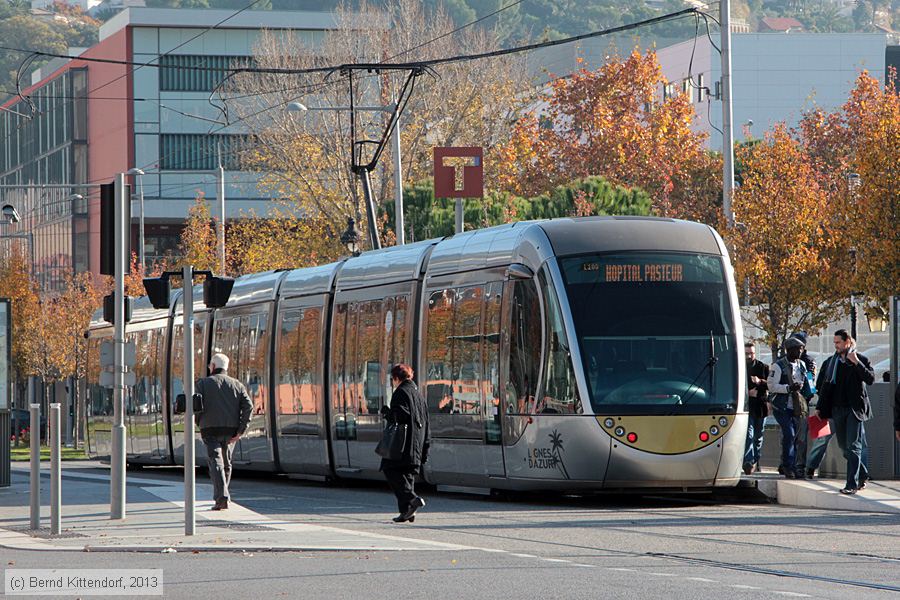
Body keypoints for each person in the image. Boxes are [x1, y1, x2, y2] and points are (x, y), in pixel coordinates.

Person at [814, 329, 875, 494]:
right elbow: (823, 386)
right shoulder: (831, 363)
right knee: (844, 447)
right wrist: (820, 407)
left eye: (838, 342)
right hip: (837, 409)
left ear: (848, 341)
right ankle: (862, 474)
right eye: (835, 343)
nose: (836, 346)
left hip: (855, 409)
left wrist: (856, 363)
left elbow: (870, 379)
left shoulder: (860, 359)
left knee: (853, 446)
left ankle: (851, 484)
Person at [196, 353, 252, 510]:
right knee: (226, 463)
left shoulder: (202, 384)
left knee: (216, 461)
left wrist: (199, 421)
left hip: (209, 429)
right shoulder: (237, 385)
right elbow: (249, 407)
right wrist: (241, 430)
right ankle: (223, 495)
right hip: (231, 431)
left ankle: (222, 497)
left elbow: (196, 405)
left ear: (213, 366)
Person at [380, 363, 431, 523]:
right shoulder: (418, 395)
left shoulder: (400, 392)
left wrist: (387, 413)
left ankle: (412, 499)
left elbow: (400, 415)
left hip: (402, 444)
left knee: (390, 469)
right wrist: (425, 448)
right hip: (417, 443)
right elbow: (427, 421)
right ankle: (407, 511)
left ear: (396, 378)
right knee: (407, 475)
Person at [767, 337, 812, 479]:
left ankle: (790, 464)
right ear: (789, 350)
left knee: (799, 437)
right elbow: (771, 386)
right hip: (782, 406)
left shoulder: (803, 365)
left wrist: (809, 390)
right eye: (797, 349)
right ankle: (788, 466)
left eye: (801, 349)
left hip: (798, 406)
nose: (800, 352)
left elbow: (809, 381)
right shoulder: (778, 366)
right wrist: (788, 388)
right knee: (789, 434)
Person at [742, 342, 769, 475]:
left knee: (758, 436)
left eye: (751, 353)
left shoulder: (763, 367)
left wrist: (760, 382)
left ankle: (755, 460)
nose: (749, 356)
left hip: (761, 407)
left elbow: (771, 384)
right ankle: (747, 462)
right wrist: (748, 393)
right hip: (747, 408)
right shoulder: (740, 368)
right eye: (746, 353)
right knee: (749, 434)